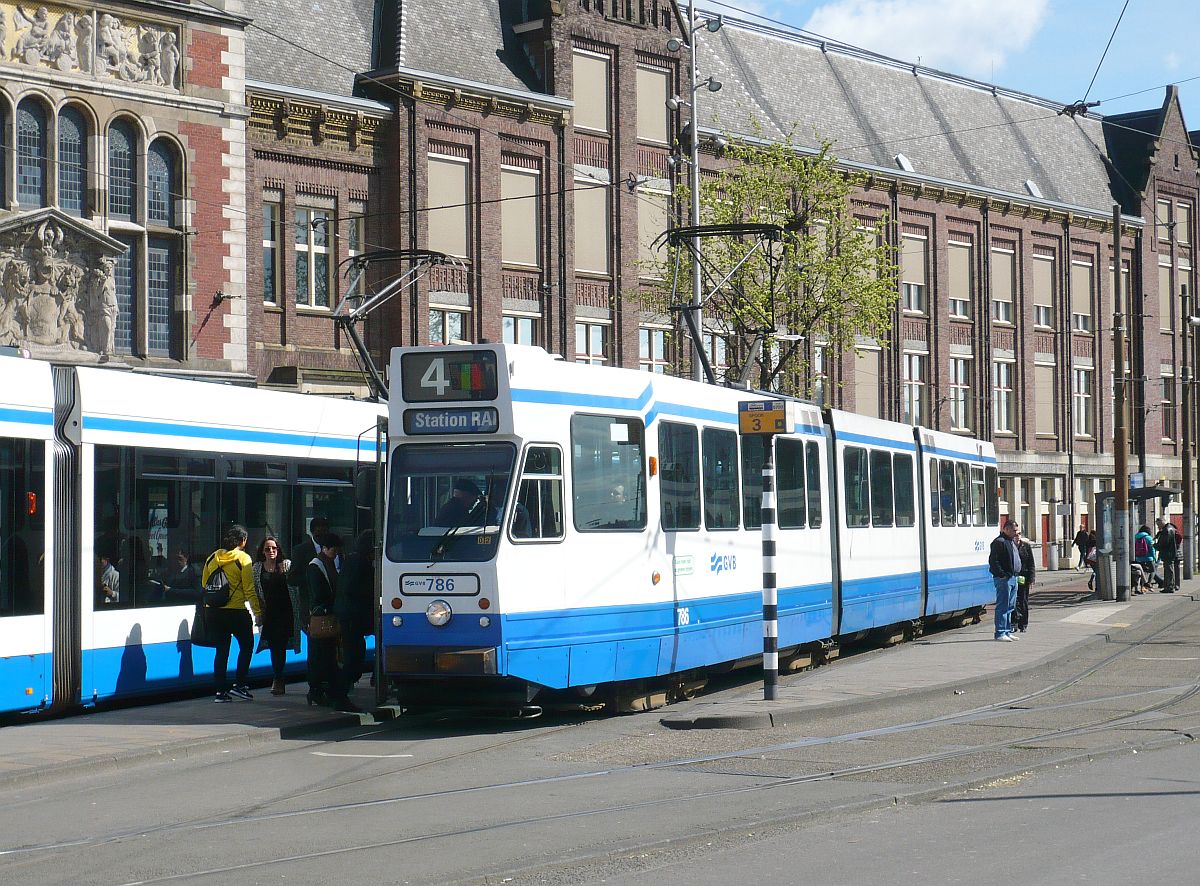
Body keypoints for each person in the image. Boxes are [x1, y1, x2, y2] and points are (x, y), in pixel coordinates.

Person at [201, 524, 261, 703]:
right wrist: (258, 612)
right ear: (242, 541)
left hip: (214, 612)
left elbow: (205, 585)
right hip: (236, 611)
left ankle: (220, 692)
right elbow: (249, 589)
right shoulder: (244, 559)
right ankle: (240, 685)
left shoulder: (212, 558)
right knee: (247, 645)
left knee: (221, 651)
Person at [334, 530, 375, 710]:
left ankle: (341, 693)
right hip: (353, 616)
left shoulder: (352, 559)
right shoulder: (360, 562)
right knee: (353, 658)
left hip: (349, 615)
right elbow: (352, 588)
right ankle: (340, 695)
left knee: (354, 655)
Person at [253, 536, 295, 695]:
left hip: (285, 613)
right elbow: (255, 592)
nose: (271, 551)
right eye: (267, 549)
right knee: (274, 646)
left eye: (274, 548)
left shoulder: (286, 565)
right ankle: (278, 677)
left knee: (280, 645)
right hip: (269, 614)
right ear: (262, 552)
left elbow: (294, 588)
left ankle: (278, 678)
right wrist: (257, 613)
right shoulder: (257, 568)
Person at [304, 532, 343, 708]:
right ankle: (316, 690)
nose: (335, 554)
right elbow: (319, 593)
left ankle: (322, 689)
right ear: (325, 549)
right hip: (321, 618)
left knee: (327, 655)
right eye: (333, 551)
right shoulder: (316, 566)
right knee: (319, 655)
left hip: (327, 616)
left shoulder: (328, 564)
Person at [987, 520, 1021, 642]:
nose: (1016, 533)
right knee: (1003, 605)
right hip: (1004, 579)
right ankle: (1000, 632)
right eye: (1014, 530)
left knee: (1010, 606)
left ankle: (1007, 630)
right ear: (1006, 529)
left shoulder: (1010, 541)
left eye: (1016, 530)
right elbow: (993, 561)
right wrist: (1001, 574)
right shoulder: (999, 542)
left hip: (1013, 577)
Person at [1014, 527, 1036, 633]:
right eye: (1015, 534)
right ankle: (1014, 622)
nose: (1017, 536)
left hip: (1024, 577)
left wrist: (1031, 578)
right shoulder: (1010, 546)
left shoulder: (1025, 546)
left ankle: (1023, 624)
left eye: (1019, 534)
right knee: (1013, 601)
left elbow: (1031, 563)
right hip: (1013, 577)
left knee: (1023, 600)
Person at [1155, 518, 1180, 594]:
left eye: (1158, 524)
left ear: (1162, 522)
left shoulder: (1167, 530)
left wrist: (1156, 546)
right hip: (1170, 552)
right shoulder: (1169, 528)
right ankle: (1168, 586)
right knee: (1169, 569)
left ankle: (1169, 586)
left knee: (1168, 570)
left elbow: (1164, 543)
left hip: (1168, 553)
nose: (1158, 526)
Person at [1132, 524, 1157, 594]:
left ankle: (1139, 588)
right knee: (1153, 570)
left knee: (1141, 573)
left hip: (1138, 558)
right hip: (1148, 558)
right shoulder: (1148, 538)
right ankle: (1148, 583)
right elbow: (1152, 549)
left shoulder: (1135, 537)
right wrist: (1154, 557)